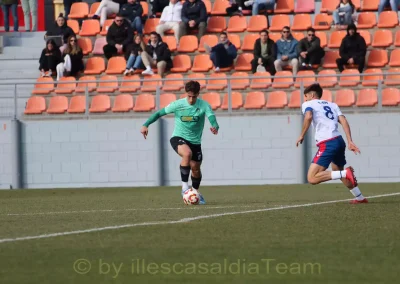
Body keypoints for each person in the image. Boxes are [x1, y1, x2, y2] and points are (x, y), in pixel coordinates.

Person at [140, 81, 220, 204]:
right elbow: (159, 113)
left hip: (195, 142)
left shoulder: (204, 105)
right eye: (189, 96)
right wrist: (146, 125)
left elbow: (212, 118)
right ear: (185, 93)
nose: (191, 99)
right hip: (178, 137)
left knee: (196, 169)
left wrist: (215, 127)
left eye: (194, 96)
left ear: (198, 94)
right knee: (187, 154)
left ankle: (195, 193)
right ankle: (184, 188)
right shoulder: (178, 105)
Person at [296, 83, 367, 204]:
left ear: (312, 95)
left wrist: (302, 135)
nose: (305, 99)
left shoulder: (307, 104)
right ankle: (360, 197)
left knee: (312, 178)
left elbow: (308, 117)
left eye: (306, 96)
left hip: (327, 143)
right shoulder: (332, 105)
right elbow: (343, 120)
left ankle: (346, 173)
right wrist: (350, 141)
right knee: (337, 172)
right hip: (339, 141)